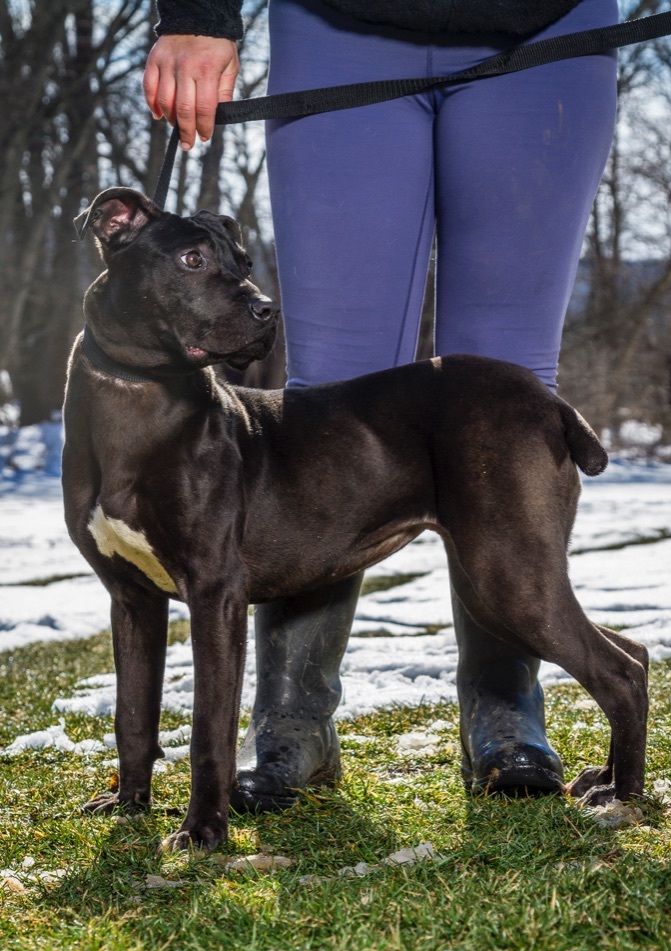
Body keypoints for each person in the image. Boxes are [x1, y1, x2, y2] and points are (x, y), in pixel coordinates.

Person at [144, 0, 618, 811]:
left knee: (502, 389)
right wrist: (197, 9)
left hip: (549, 27)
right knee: (330, 392)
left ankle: (504, 712)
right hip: (338, 26)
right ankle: (294, 723)